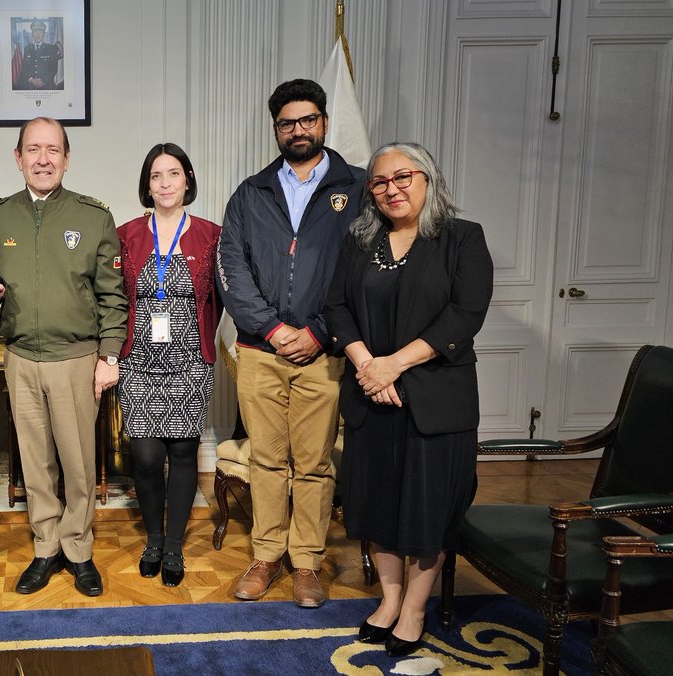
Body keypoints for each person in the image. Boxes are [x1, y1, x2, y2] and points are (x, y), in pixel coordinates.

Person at [326, 141, 493, 656]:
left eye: (403, 177)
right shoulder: (360, 241)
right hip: (372, 397)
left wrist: (393, 365)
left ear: (428, 179)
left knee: (427, 509)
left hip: (436, 402)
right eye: (379, 181)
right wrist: (367, 366)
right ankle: (390, 599)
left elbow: (464, 315)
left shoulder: (462, 238)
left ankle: (416, 608)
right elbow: (336, 306)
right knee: (377, 503)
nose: (391, 189)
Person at [216, 79, 366, 607]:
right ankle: (265, 557)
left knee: (314, 464)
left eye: (307, 120)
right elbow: (230, 268)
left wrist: (319, 331)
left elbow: (363, 271)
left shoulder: (359, 188)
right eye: (287, 123)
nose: (298, 130)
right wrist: (273, 329)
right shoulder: (250, 193)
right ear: (276, 129)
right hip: (261, 351)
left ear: (324, 122)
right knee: (267, 460)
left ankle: (306, 563)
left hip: (324, 353)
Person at [0, 117, 127, 597]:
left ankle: (79, 549)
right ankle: (46, 547)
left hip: (76, 359)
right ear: (17, 157)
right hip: (20, 358)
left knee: (79, 464)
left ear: (66, 157)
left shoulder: (93, 217)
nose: (43, 159)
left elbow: (113, 295)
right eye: (33, 149)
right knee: (35, 462)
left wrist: (108, 356)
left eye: (52, 150)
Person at [117, 143, 221, 587]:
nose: (164, 183)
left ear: (187, 179)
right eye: (156, 175)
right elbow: (112, 298)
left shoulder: (211, 235)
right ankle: (153, 538)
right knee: (145, 456)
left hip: (190, 362)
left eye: (173, 173)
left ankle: (173, 545)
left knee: (182, 452)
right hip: (137, 362)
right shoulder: (126, 235)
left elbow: (226, 296)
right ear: (147, 184)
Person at [15, 20, 62, 90]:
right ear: (32, 34)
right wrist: (31, 80)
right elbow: (24, 68)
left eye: (40, 32)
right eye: (35, 32)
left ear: (44, 34)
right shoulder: (27, 49)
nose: (37, 34)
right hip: (29, 86)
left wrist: (42, 81)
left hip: (46, 86)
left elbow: (53, 69)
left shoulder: (52, 48)